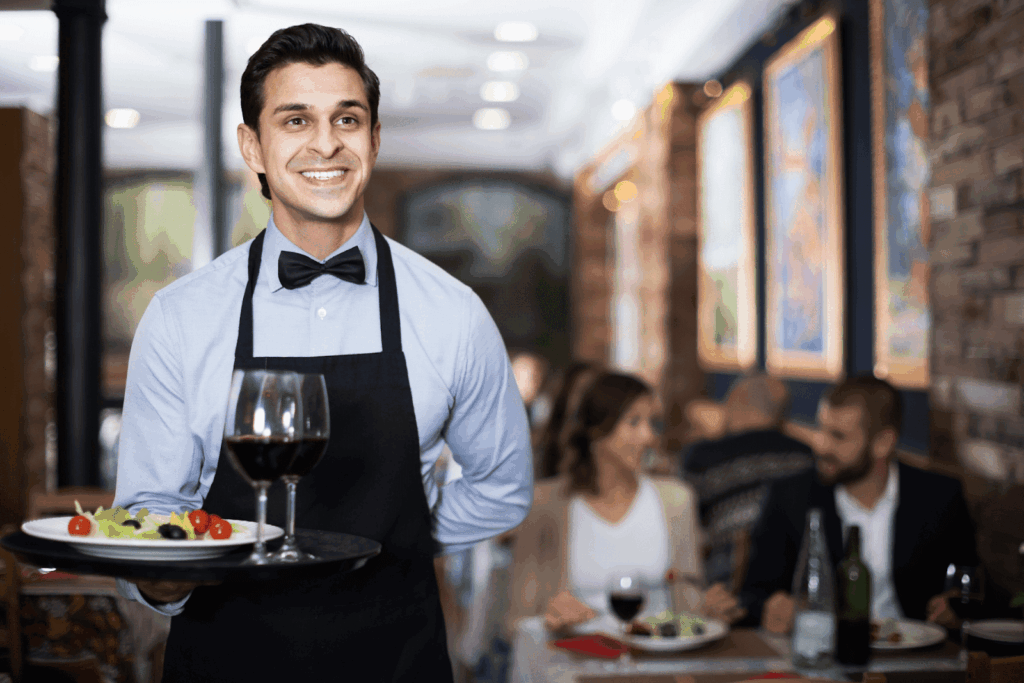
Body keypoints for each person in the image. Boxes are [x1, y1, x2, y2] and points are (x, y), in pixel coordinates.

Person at [112, 24, 533, 682]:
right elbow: (152, 506)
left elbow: (502, 488)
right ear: (252, 145)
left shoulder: (452, 312)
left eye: (348, 118)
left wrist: (403, 540)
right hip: (226, 659)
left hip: (396, 659)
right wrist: (166, 578)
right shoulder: (180, 317)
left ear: (374, 140)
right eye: (295, 119)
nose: (326, 142)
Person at [508, 371, 744, 637]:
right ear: (596, 432)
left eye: (652, 423)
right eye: (633, 422)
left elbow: (689, 606)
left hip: (657, 662)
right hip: (577, 661)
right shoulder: (545, 505)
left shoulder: (676, 500)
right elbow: (517, 621)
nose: (648, 436)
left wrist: (709, 610)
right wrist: (550, 620)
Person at [739, 375, 978, 632]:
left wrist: (951, 609)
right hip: (822, 655)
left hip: (916, 654)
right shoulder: (789, 496)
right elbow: (752, 595)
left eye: (838, 436)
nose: (821, 445)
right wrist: (773, 608)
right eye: (821, 429)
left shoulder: (939, 497)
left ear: (883, 443)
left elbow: (970, 589)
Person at [682, 373, 813, 589]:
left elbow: (685, 530)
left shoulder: (704, 457)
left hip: (725, 590)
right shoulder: (805, 457)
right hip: (795, 589)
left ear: (735, 402)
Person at [530, 361, 600, 481]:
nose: (588, 400)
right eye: (582, 391)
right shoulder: (539, 443)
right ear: (566, 394)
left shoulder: (602, 446)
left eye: (593, 393)